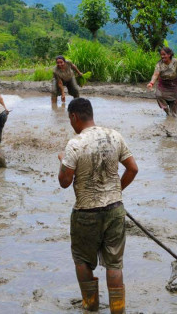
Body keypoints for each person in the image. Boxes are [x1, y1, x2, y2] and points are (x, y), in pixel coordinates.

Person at [58, 98, 138, 314]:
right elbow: (133, 169)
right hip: (114, 209)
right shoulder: (114, 136)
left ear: (74, 117)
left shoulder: (75, 143)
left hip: (86, 212)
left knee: (83, 261)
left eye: (70, 119)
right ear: (91, 114)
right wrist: (116, 191)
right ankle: (118, 310)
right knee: (114, 264)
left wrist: (62, 160)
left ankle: (91, 307)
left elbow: (64, 182)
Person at [146, 47, 177, 116]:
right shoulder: (159, 64)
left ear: (169, 54)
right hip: (163, 85)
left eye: (164, 54)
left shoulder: (175, 62)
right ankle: (167, 112)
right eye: (161, 55)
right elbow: (155, 74)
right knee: (158, 95)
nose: (162, 56)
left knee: (175, 102)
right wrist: (151, 83)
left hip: (174, 85)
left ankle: (173, 115)